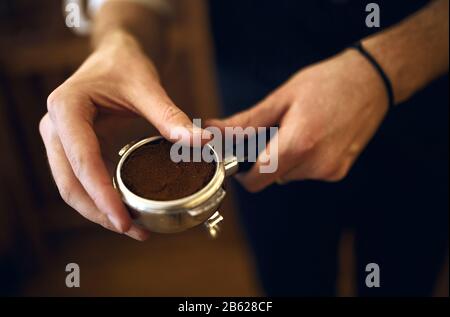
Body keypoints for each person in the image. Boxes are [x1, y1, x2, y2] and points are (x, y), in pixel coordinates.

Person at [39, 0, 449, 295]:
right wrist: (119, 39)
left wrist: (385, 68)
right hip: (252, 109)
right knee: (287, 277)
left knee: (403, 276)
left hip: (423, 107)